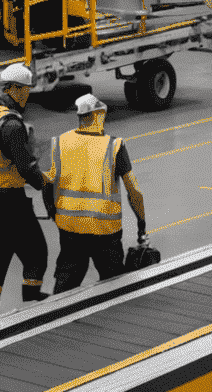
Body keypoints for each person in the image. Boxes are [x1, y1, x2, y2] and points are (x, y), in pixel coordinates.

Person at [0, 62, 50, 320]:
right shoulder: (11, 126)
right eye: (26, 90)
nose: (28, 94)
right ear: (14, 89)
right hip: (7, 198)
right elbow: (27, 168)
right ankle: (26, 300)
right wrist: (44, 182)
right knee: (34, 250)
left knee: (2, 250)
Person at [48, 93, 147, 292]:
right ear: (99, 115)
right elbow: (133, 190)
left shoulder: (60, 142)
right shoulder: (114, 145)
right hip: (104, 229)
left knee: (66, 283)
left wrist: (54, 212)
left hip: (70, 227)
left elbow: (46, 182)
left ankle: (56, 317)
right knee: (114, 284)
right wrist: (141, 224)